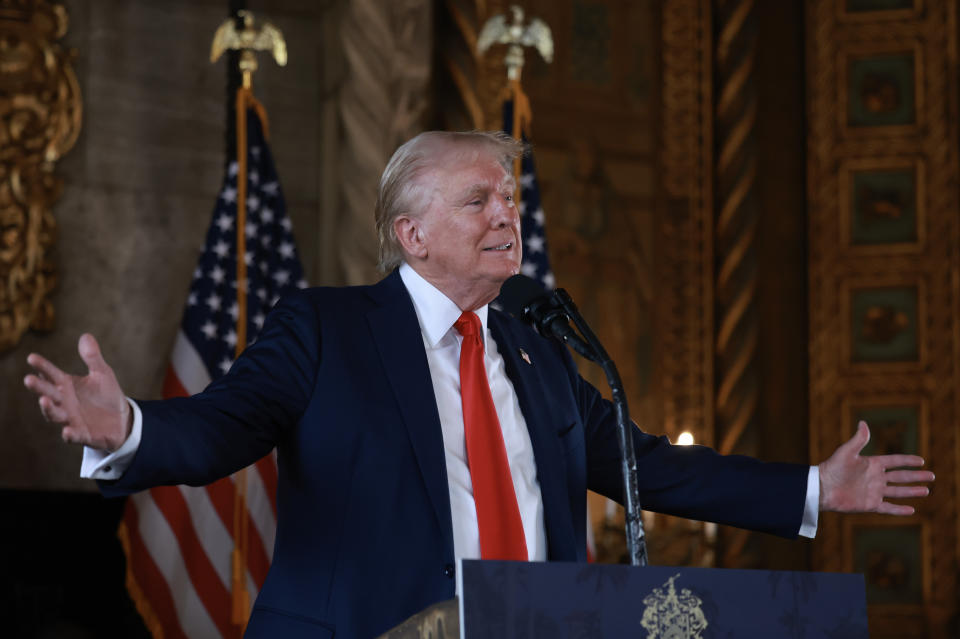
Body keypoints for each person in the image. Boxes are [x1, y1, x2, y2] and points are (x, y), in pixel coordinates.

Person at [24, 131, 933, 638]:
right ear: (410, 234)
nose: (508, 213)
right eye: (480, 201)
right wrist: (128, 427)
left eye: (510, 199)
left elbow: (645, 465)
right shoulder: (328, 329)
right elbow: (226, 427)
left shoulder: (537, 350)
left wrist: (815, 487)